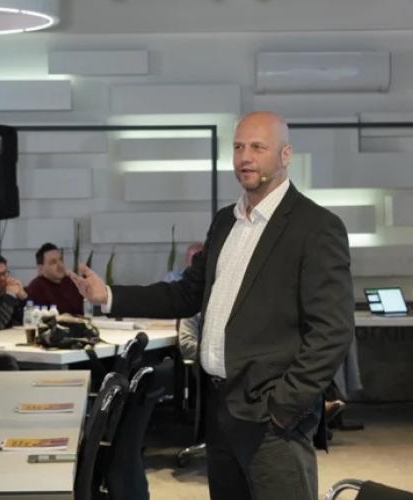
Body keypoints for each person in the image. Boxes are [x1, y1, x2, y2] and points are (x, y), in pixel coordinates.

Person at [70, 111, 354, 500]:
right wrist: (108, 295)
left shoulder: (316, 226)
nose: (245, 157)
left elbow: (333, 331)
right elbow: (186, 294)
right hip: (220, 410)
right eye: (238, 147)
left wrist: (284, 407)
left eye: (258, 147)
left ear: (285, 155)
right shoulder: (225, 222)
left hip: (272, 420)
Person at [25, 243, 83, 315]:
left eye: (61, 260)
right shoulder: (36, 288)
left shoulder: (71, 282)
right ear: (41, 269)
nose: (60, 265)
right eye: (53, 262)